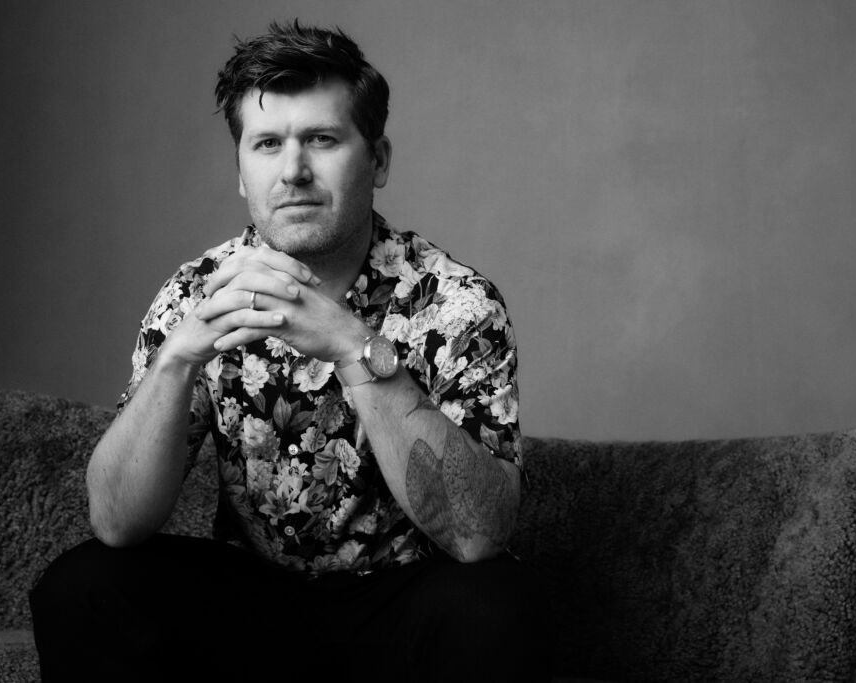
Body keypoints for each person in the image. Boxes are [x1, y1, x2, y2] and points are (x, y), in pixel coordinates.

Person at [30, 20, 549, 682]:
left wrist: (355, 347)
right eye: (268, 143)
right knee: (83, 585)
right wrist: (176, 362)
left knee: (500, 604)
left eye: (322, 139)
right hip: (254, 612)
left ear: (378, 160)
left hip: (404, 606)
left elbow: (478, 536)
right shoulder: (197, 292)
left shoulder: (456, 303)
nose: (293, 170)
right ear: (241, 171)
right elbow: (115, 523)